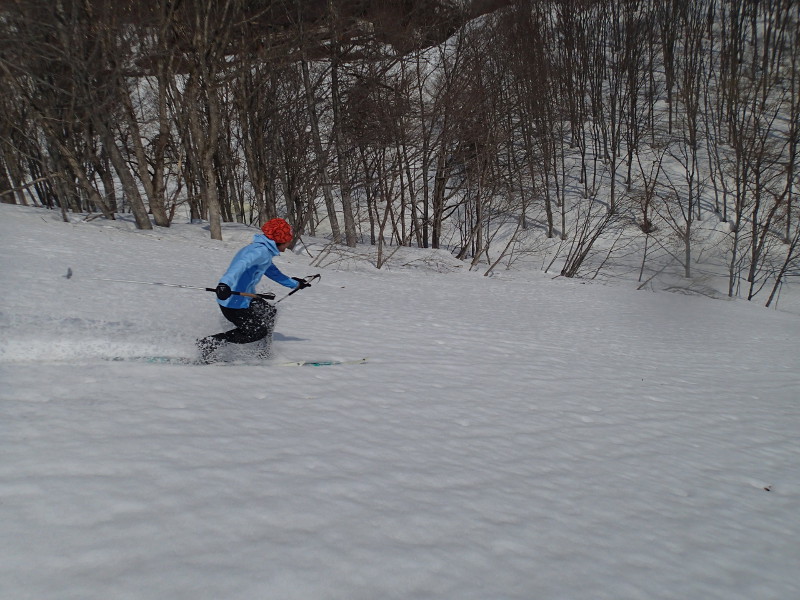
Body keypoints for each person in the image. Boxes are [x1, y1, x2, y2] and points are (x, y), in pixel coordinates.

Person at [196, 218, 311, 363]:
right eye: (289, 240)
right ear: (281, 239)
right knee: (256, 332)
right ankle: (209, 343)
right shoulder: (258, 252)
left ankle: (263, 351)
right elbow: (239, 266)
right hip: (233, 302)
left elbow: (271, 271)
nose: (289, 244)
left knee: (269, 313)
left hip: (246, 298)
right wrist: (224, 284)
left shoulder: (265, 252)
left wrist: (295, 284)